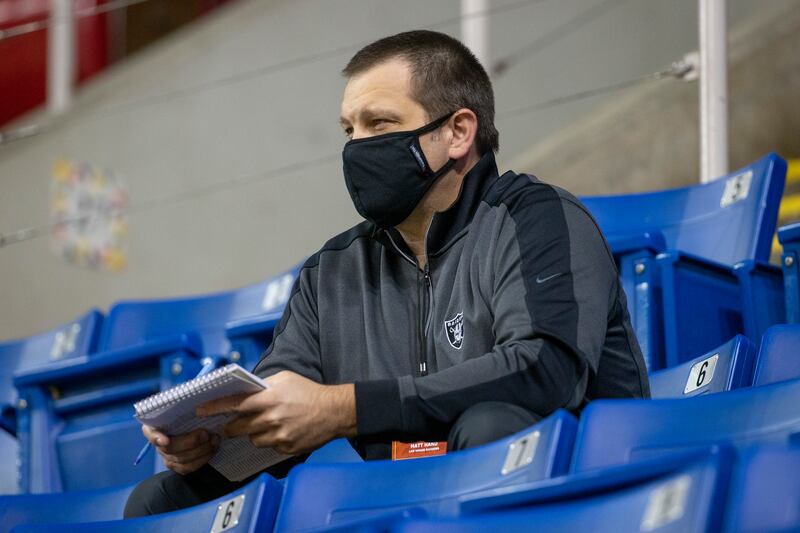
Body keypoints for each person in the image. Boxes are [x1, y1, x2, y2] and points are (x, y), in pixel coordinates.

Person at [125, 29, 649, 517]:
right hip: (406, 506)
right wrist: (213, 439)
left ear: (458, 132)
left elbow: (542, 370)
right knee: (159, 501)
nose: (357, 147)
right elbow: (281, 406)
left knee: (493, 426)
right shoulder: (331, 274)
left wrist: (345, 407)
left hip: (580, 500)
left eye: (380, 125)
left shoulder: (539, 217)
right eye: (349, 130)